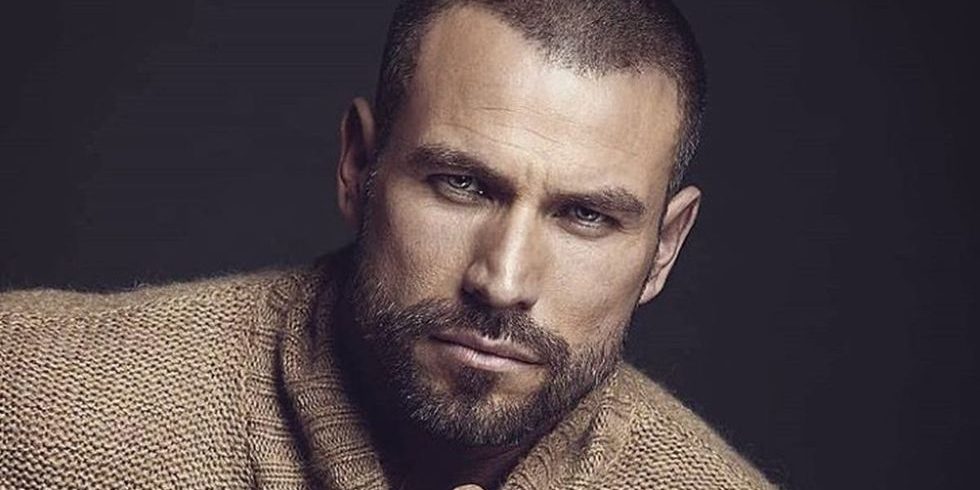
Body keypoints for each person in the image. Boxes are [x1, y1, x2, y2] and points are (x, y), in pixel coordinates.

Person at [0, 1, 775, 488]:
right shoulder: (30, 397)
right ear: (358, 165)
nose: (503, 280)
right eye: (462, 184)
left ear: (664, 249)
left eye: (585, 216)